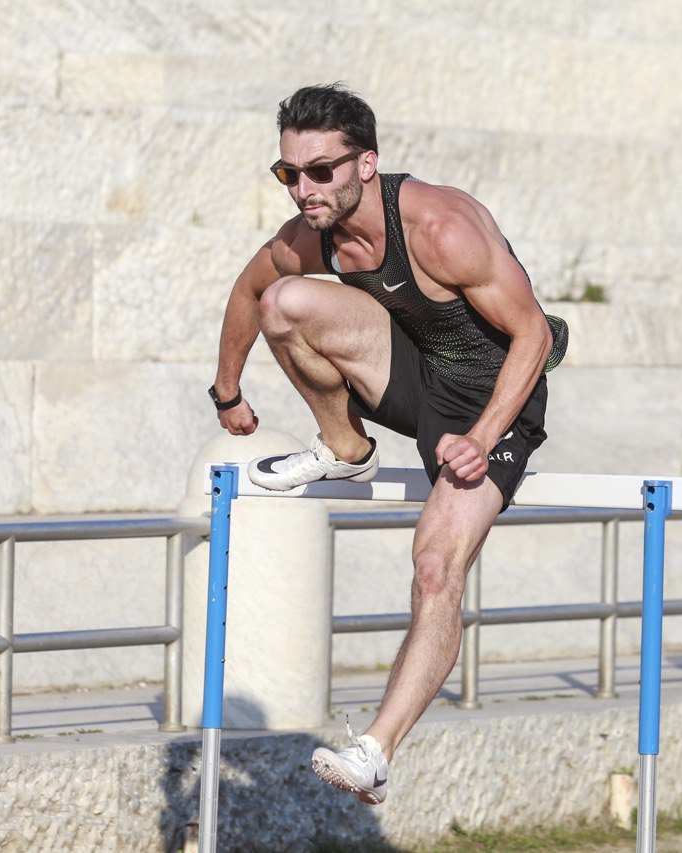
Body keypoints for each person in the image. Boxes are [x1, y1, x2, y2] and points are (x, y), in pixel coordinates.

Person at [208, 83, 567, 805]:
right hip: (411, 372)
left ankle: (374, 751)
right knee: (283, 300)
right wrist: (227, 389)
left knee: (434, 568)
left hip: (493, 400)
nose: (303, 189)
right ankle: (344, 444)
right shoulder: (314, 232)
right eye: (289, 173)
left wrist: (483, 438)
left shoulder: (442, 227)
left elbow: (531, 332)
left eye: (320, 172)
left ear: (366, 164)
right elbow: (248, 290)